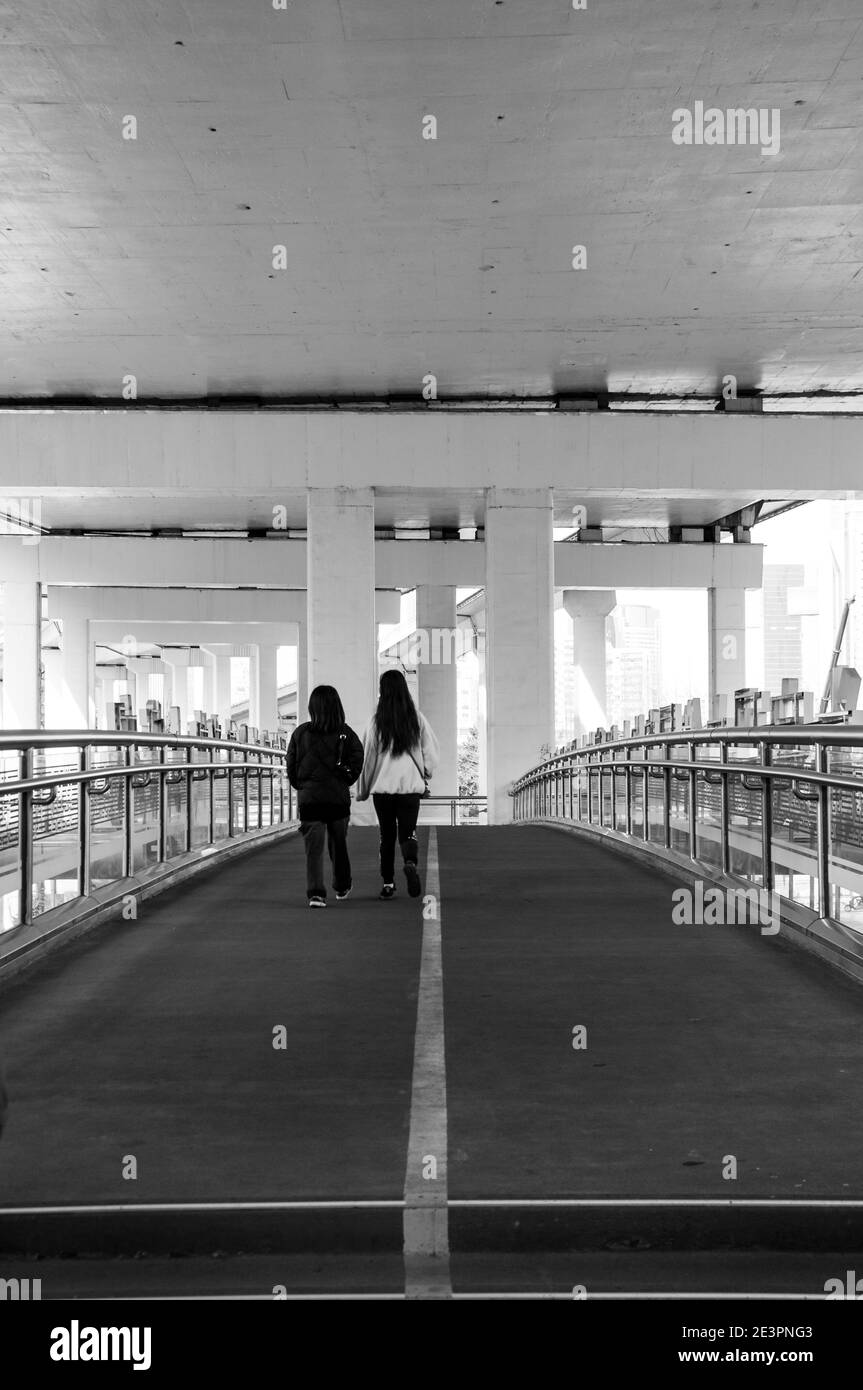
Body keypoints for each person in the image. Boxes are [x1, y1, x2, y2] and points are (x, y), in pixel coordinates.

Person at [356, 670, 439, 900]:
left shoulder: (375, 722)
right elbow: (430, 751)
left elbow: (368, 760)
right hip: (410, 789)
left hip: (383, 790)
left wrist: (362, 790)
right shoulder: (416, 718)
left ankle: (388, 883)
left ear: (382, 691)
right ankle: (410, 862)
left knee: (386, 835)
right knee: (408, 831)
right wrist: (426, 774)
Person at [287, 685, 364, 908]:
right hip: (337, 798)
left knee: (314, 849)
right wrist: (345, 780)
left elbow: (291, 764)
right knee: (338, 844)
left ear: (312, 708)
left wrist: (300, 786)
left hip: (310, 800)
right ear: (337, 707)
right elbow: (357, 759)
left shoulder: (300, 733)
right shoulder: (346, 733)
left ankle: (316, 894)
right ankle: (341, 885)